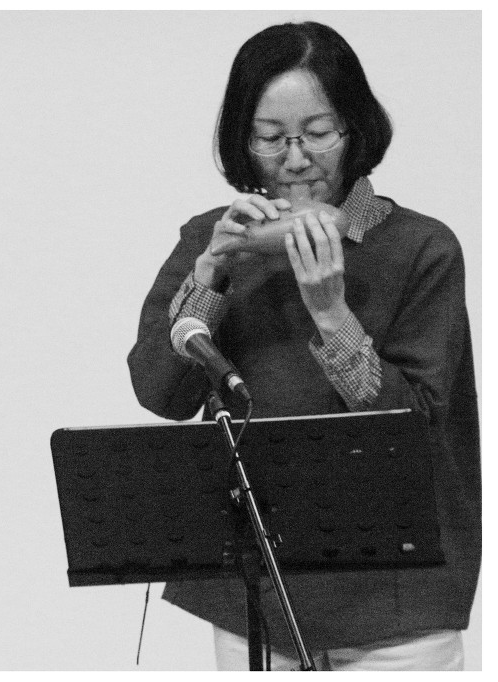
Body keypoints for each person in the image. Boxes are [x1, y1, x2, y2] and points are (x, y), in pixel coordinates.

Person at [127, 22, 479, 671]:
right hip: (254, 600)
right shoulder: (212, 241)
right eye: (270, 137)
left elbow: (419, 427)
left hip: (395, 611)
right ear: (243, 139)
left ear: (355, 128)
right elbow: (159, 392)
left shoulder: (421, 248)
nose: (294, 159)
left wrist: (330, 310)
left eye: (317, 133)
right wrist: (209, 278)